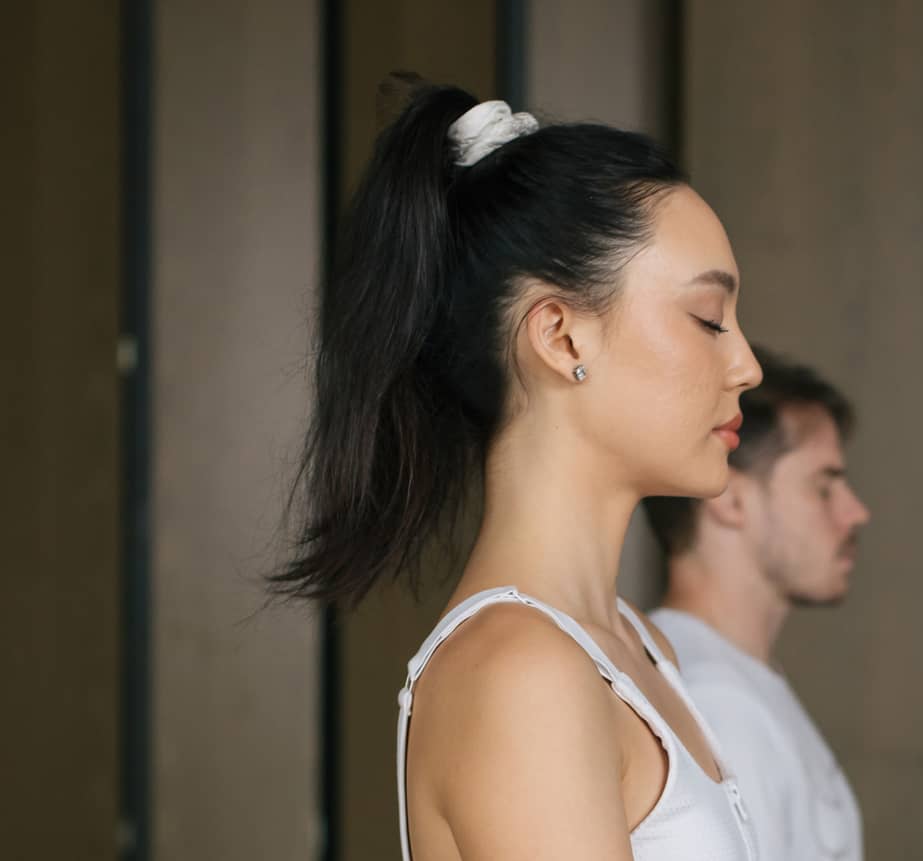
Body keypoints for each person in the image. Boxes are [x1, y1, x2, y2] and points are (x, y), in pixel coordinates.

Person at [271, 75, 764, 861]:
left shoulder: (633, 647)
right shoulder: (522, 674)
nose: (746, 366)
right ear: (562, 337)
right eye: (708, 318)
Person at [642, 349, 871, 861]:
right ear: (729, 498)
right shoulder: (713, 702)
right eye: (824, 485)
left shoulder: (730, 682)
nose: (855, 512)